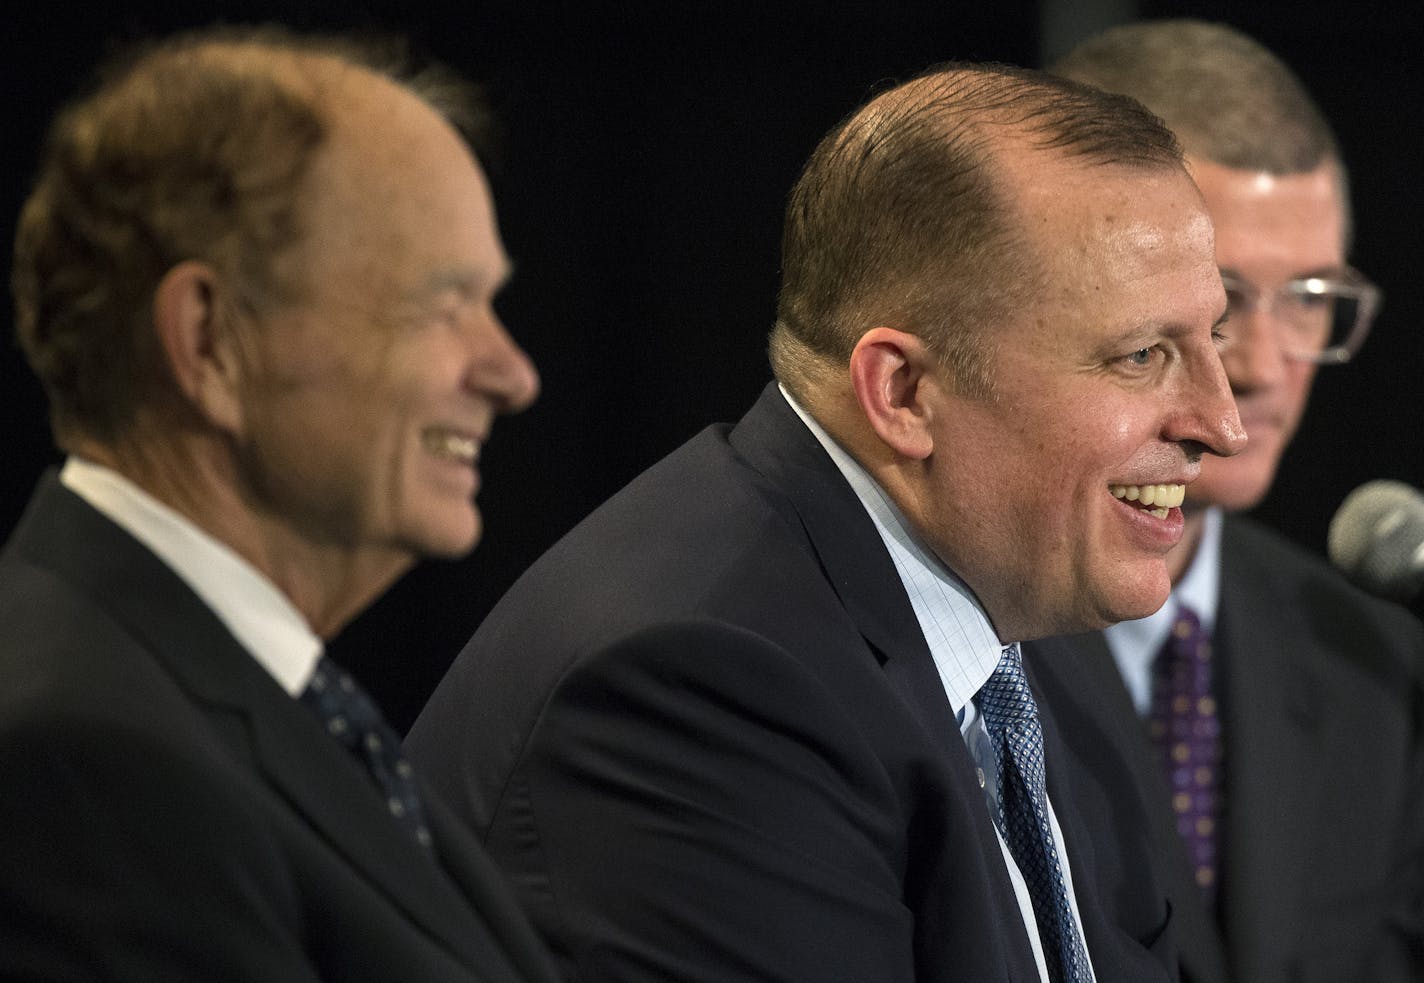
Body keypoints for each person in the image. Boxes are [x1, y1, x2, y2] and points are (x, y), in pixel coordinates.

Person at [408, 61, 1246, 983]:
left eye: (1213, 339)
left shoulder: (1032, 640)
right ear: (903, 392)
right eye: (1142, 356)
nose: (1221, 423)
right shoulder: (704, 688)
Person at [0, 26, 558, 982]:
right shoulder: (87, 760)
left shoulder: (244, 694)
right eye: (441, 303)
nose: (513, 374)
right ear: (211, 342)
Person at [1022, 20, 1424, 983]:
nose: (1263, 365)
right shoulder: (954, 639)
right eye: (1220, 295)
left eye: (1311, 294)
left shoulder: (1372, 657)